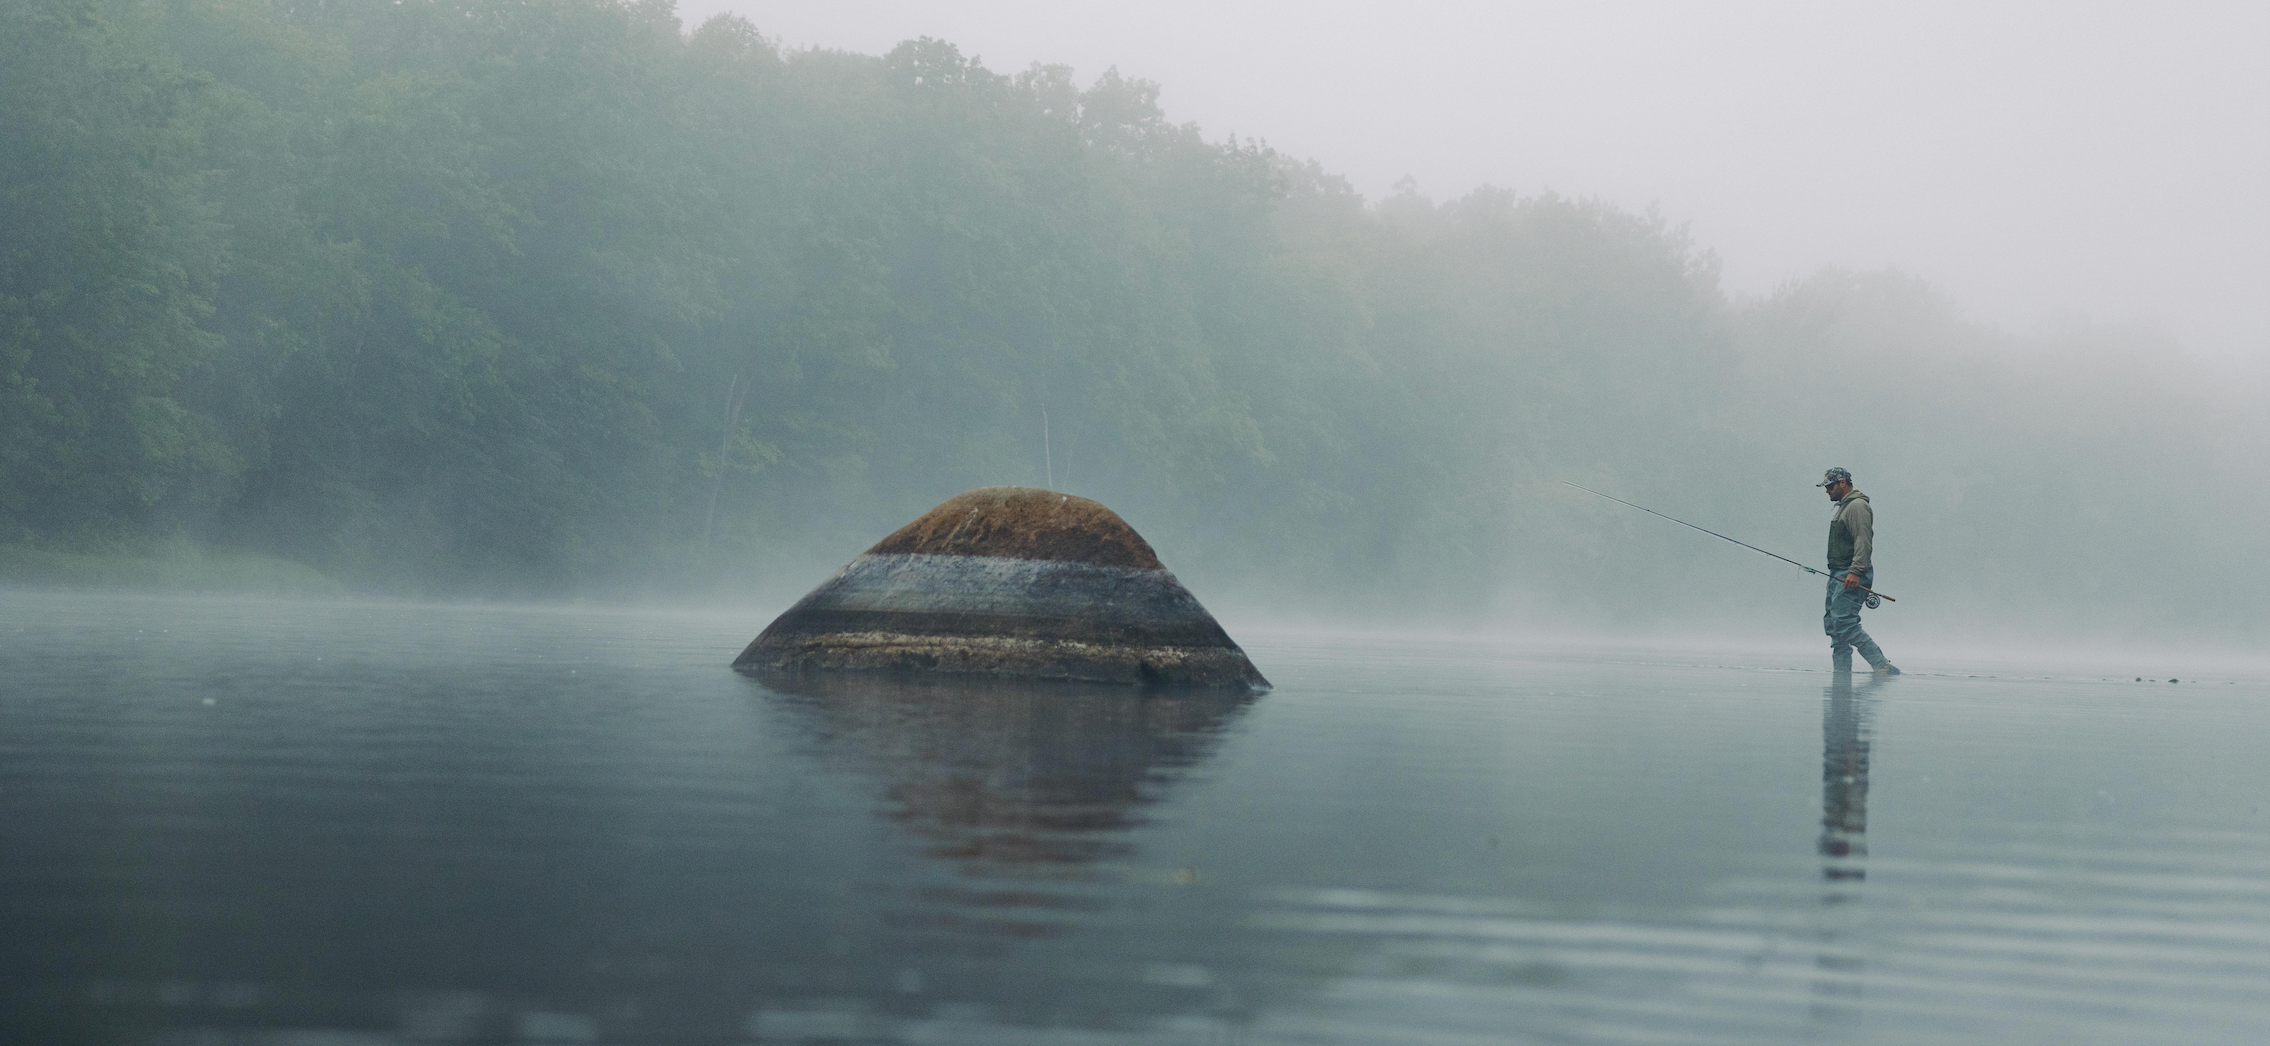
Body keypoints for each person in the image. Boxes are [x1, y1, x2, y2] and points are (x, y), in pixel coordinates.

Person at [1818, 468, 1898, 675]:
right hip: (1839, 574)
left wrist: (1855, 571)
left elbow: (1863, 541)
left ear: (1843, 483)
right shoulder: (1844, 507)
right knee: (1834, 626)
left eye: (1830, 486)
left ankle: (1883, 666)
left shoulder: (1857, 506)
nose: (1827, 491)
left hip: (1851, 574)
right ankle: (1841, 676)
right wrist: (1833, 575)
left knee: (1845, 622)